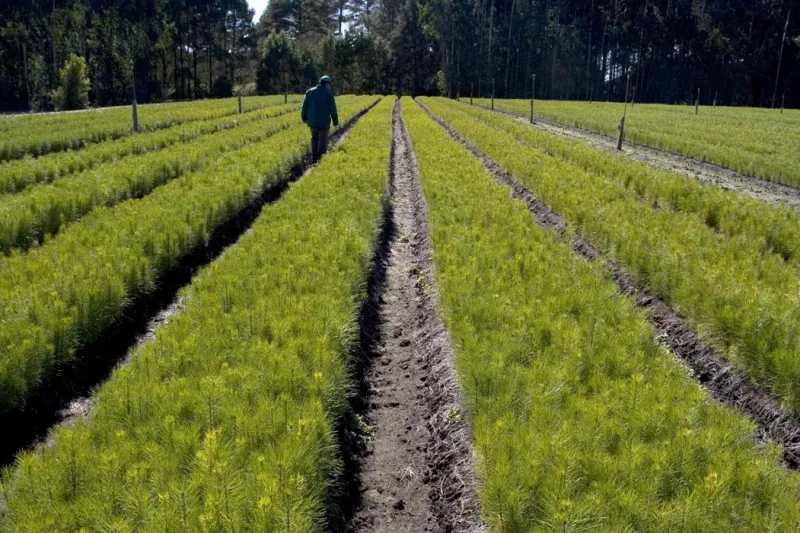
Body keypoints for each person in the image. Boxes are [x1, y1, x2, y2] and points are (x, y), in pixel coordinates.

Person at [301, 75, 339, 162]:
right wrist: (335, 122)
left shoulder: (310, 92)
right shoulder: (329, 94)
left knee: (314, 139)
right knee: (323, 141)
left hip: (312, 122)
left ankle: (314, 158)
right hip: (324, 123)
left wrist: (304, 117)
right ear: (327, 84)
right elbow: (333, 109)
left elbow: (304, 106)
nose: (330, 86)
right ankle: (321, 160)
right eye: (330, 84)